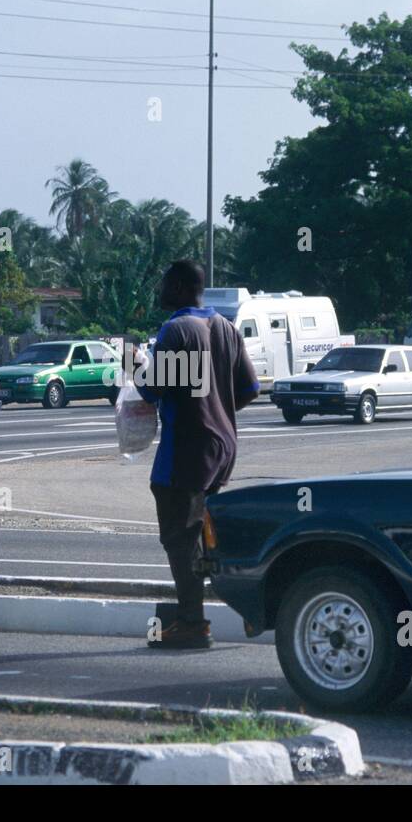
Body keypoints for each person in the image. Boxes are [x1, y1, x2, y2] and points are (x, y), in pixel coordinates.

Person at [136, 260, 258, 649]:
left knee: (181, 537)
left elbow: (153, 389)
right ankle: (252, 607)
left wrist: (133, 367)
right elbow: (250, 388)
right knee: (210, 537)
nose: (161, 290)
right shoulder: (225, 327)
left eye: (164, 283)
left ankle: (192, 622)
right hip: (224, 448)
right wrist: (218, 407)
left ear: (180, 286)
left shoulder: (177, 328)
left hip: (186, 450)